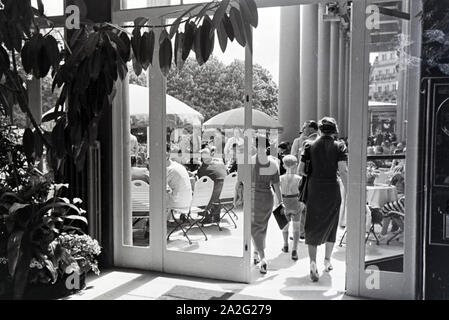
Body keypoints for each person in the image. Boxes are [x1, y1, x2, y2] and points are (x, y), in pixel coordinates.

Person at [299, 117, 348, 282]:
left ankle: (313, 263)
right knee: (332, 224)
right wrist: (349, 189)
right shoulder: (340, 146)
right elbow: (343, 170)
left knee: (312, 224)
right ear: (334, 130)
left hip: (314, 189)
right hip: (332, 189)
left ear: (319, 130)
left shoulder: (308, 146)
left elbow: (301, 171)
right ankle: (327, 261)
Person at [236, 135, 283, 274]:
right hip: (267, 197)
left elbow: (240, 182)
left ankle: (262, 258)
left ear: (256, 146)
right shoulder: (273, 164)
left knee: (253, 228)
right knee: (261, 227)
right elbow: (277, 186)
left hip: (252, 196)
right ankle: (256, 254)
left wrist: (237, 197)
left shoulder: (248, 162)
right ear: (267, 147)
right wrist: (280, 202)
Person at [279, 155, 303, 261]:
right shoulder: (299, 179)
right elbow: (302, 193)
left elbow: (277, 193)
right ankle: (294, 250)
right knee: (296, 229)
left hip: (284, 202)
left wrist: (278, 204)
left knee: (285, 227)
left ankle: (285, 245)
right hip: (296, 203)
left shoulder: (281, 178)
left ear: (283, 165)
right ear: (295, 165)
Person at [197, 148, 228, 223]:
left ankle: (207, 215)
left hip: (213, 199)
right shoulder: (221, 164)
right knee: (217, 186)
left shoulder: (202, 169)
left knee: (198, 192)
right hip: (227, 197)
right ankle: (216, 214)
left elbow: (202, 183)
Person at [166, 145, 193, 217]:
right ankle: (168, 218)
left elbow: (158, 187)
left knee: (156, 195)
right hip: (188, 203)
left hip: (179, 204)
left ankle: (158, 220)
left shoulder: (168, 169)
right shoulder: (177, 166)